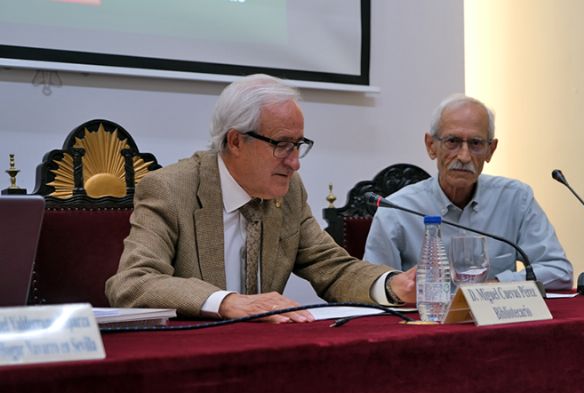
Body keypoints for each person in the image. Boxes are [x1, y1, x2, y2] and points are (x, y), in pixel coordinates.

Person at [106, 74, 415, 323]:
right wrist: (225, 301)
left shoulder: (289, 191)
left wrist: (392, 285)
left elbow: (331, 267)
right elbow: (133, 282)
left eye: (298, 145)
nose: (295, 163)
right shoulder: (171, 189)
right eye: (282, 145)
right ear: (236, 141)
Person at [363, 94, 573, 290]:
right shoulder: (398, 210)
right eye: (452, 142)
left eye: (475, 144)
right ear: (431, 146)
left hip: (498, 322)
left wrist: (495, 285)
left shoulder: (515, 198)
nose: (464, 156)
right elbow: (375, 286)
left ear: (490, 150)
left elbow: (559, 271)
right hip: (427, 323)